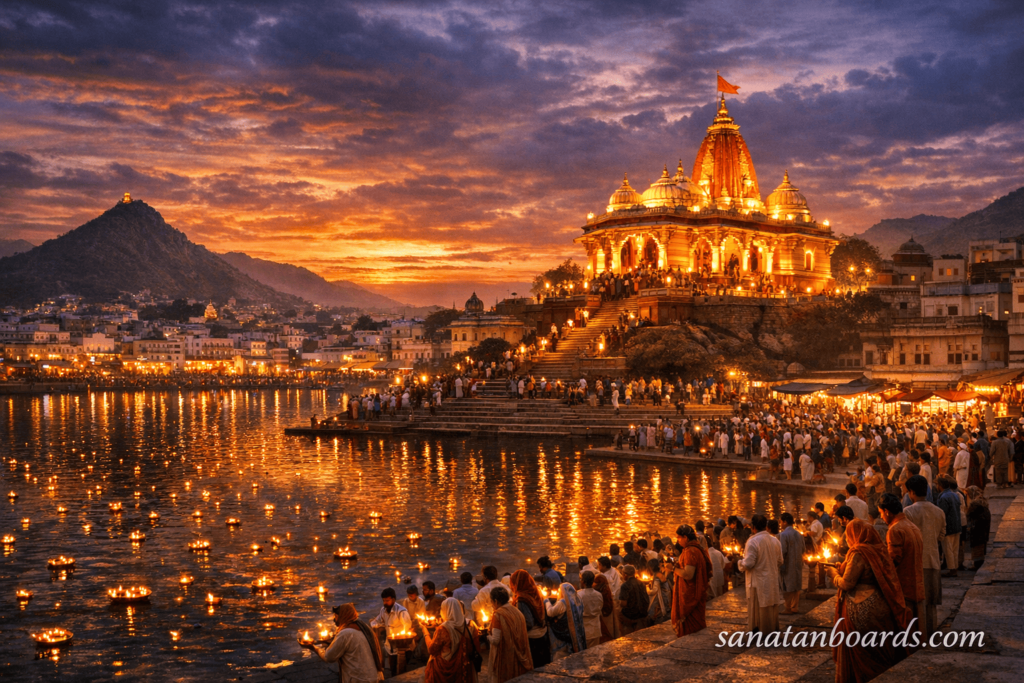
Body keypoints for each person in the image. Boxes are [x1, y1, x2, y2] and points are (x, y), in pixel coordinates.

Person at [825, 519, 911, 683]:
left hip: (860, 607)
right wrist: (843, 567)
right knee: (876, 648)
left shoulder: (858, 552)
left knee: (861, 650)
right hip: (879, 603)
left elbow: (848, 583)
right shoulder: (878, 549)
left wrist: (833, 575)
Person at [901, 474, 945, 638]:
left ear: (911, 492)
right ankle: (931, 634)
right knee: (930, 604)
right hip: (933, 561)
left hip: (915, 563)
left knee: (916, 603)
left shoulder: (908, 511)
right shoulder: (939, 512)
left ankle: (918, 637)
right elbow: (941, 536)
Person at [878, 492, 924, 639]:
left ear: (887, 512)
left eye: (881, 513)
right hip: (917, 583)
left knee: (905, 630)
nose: (881, 517)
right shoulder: (912, 526)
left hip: (904, 586)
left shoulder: (895, 530)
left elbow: (893, 561)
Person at [304, 603, 385, 683]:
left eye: (335, 616)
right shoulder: (364, 627)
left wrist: (314, 648)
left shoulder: (345, 633)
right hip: (375, 677)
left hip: (359, 679)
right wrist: (331, 641)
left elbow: (328, 657)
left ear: (343, 615)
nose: (334, 620)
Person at [737, 514, 783, 633]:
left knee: (758, 609)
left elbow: (748, 564)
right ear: (765, 526)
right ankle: (771, 631)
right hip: (772, 579)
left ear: (753, 527)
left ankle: (760, 633)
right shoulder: (774, 540)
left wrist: (738, 562)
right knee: (770, 607)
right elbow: (780, 561)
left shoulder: (752, 541)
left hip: (757, 582)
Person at [424, 598, 479, 683]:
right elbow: (476, 646)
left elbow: (432, 650)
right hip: (465, 667)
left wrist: (426, 633)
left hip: (445, 668)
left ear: (446, 610)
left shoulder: (443, 628)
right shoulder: (471, 624)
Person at [671, 524, 712, 636]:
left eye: (679, 537)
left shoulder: (691, 551)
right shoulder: (694, 549)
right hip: (695, 591)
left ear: (686, 537)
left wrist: (673, 569)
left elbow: (688, 575)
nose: (678, 540)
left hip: (691, 595)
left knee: (691, 629)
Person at [487, 586, 533, 683]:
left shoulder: (498, 614)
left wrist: (487, 636)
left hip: (506, 657)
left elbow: (495, 640)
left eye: (491, 602)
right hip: (520, 654)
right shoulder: (517, 611)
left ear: (495, 601)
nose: (492, 604)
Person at [509, 569, 550, 669]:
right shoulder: (536, 592)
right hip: (543, 634)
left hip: (533, 640)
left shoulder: (522, 599)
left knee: (534, 670)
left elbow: (528, 623)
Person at [370, 587, 413, 675]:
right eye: (384, 601)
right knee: (393, 670)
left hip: (402, 647)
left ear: (393, 599)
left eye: (387, 600)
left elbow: (407, 628)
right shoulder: (383, 610)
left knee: (402, 671)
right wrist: (377, 626)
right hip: (390, 646)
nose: (385, 603)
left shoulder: (401, 612)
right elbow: (375, 621)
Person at [545, 582, 587, 658]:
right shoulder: (577, 600)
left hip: (562, 633)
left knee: (561, 654)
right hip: (574, 631)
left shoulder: (563, 602)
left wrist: (546, 601)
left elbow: (550, 613)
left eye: (559, 591)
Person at [779, 513, 804, 614]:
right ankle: (795, 607)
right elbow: (803, 549)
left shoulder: (784, 534)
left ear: (785, 522)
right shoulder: (798, 534)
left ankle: (788, 608)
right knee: (796, 584)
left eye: (781, 521)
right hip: (798, 562)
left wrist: (780, 563)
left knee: (787, 585)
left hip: (788, 563)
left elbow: (783, 550)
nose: (780, 524)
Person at [616, 565, 650, 635]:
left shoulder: (625, 585)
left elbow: (624, 603)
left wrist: (617, 602)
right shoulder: (641, 583)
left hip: (630, 615)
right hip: (642, 614)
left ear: (625, 575)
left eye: (622, 574)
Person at [965, 486, 991, 570]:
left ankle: (977, 565)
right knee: (981, 547)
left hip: (977, 530)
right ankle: (978, 564)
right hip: (983, 531)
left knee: (977, 548)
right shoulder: (984, 505)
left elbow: (969, 514)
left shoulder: (975, 506)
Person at [577, 571, 605, 651]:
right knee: (594, 652)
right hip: (596, 628)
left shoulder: (579, 595)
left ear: (582, 581)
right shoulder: (599, 594)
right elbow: (600, 608)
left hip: (584, 628)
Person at [592, 573, 619, 643]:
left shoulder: (598, 590)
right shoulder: (606, 588)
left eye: (595, 582)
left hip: (602, 614)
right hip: (609, 613)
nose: (594, 584)